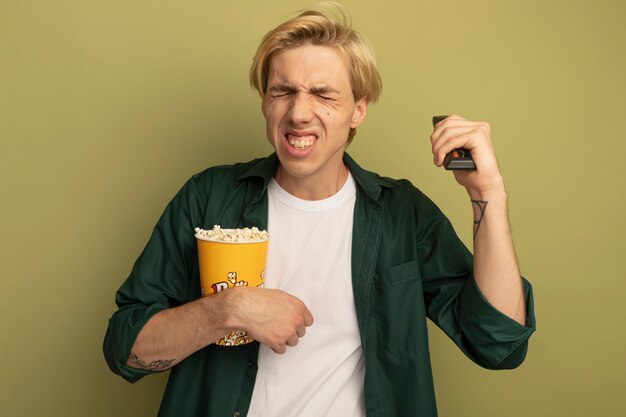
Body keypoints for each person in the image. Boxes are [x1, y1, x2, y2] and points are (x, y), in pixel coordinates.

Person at [103, 3, 535, 417]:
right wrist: (227, 309)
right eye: (283, 91)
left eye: (323, 94)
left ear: (358, 109)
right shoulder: (208, 197)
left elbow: (497, 343)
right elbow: (126, 349)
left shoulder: (403, 215)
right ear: (264, 101)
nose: (298, 113)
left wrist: (489, 193)